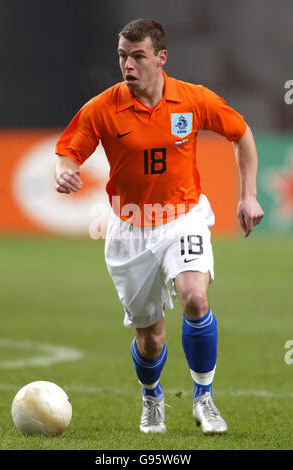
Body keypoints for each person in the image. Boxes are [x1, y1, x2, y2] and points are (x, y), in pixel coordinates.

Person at [54, 18, 264, 435]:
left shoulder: (192, 100)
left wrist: (248, 195)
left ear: (160, 58)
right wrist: (64, 171)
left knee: (194, 299)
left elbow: (241, 134)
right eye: (121, 57)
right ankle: (153, 398)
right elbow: (67, 151)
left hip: (183, 216)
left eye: (137, 56)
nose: (127, 65)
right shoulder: (103, 107)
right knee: (150, 339)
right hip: (130, 230)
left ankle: (204, 399)